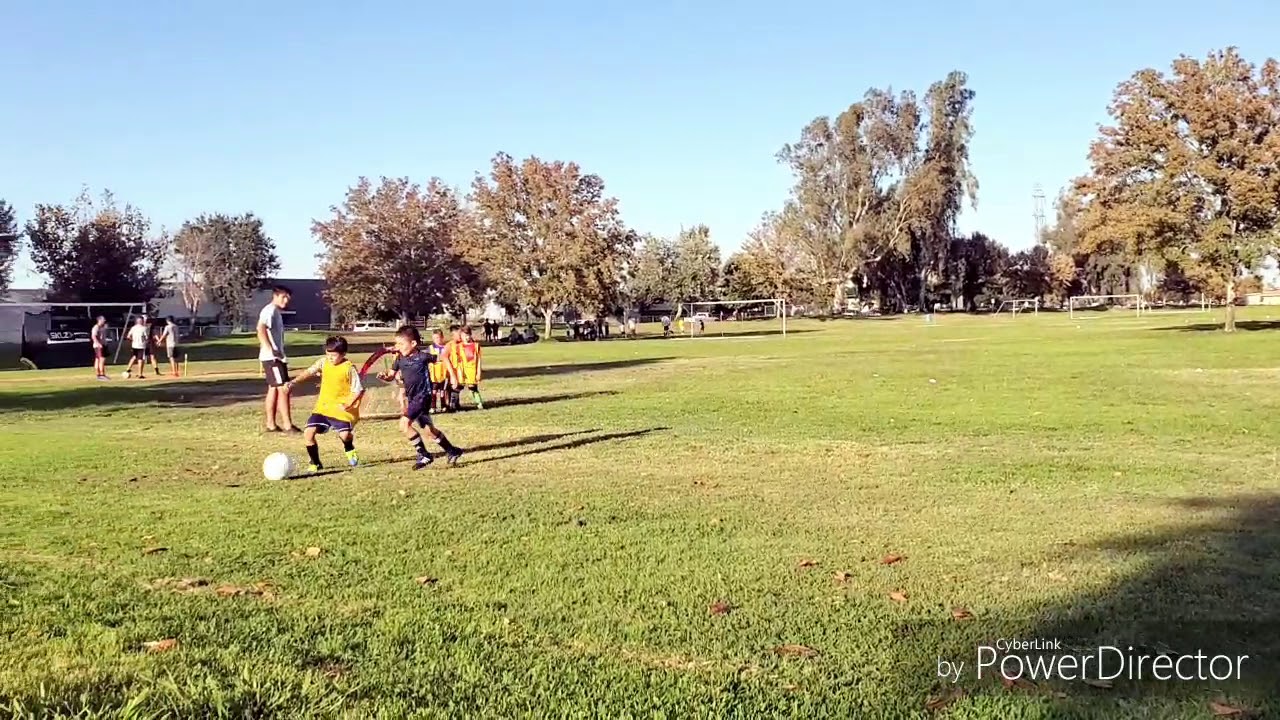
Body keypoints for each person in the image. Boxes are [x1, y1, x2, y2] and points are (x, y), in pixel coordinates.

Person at [378, 325, 462, 469]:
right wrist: (385, 377)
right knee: (430, 431)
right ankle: (452, 451)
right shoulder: (399, 359)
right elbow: (391, 376)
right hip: (412, 398)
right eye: (396, 343)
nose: (397, 347)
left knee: (404, 424)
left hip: (423, 397)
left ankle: (424, 454)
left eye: (401, 344)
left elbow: (444, 360)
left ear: (413, 344)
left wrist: (453, 377)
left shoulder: (423, 356)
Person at [286, 335, 364, 472]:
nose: (330, 358)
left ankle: (349, 447)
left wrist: (348, 404)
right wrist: (293, 382)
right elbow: (309, 371)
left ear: (343, 354)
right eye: (328, 354)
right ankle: (315, 463)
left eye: (333, 355)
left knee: (345, 435)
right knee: (308, 433)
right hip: (323, 407)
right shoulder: (323, 362)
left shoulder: (349, 368)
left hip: (342, 409)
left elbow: (358, 390)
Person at [257, 285, 299, 433]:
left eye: (288, 297)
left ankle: (271, 425)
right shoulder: (270, 310)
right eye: (283, 297)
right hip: (273, 359)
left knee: (274, 389)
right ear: (275, 296)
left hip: (275, 358)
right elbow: (260, 328)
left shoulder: (276, 312)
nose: (286, 300)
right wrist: (271, 349)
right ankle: (288, 425)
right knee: (284, 389)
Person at [454, 325, 484, 409]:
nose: (466, 337)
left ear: (470, 335)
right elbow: (457, 360)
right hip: (462, 371)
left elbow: (478, 360)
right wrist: (459, 371)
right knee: (458, 388)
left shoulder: (475, 346)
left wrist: (478, 372)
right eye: (464, 335)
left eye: (468, 335)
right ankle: (455, 404)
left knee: (473, 388)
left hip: (472, 371)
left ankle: (479, 403)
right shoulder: (459, 346)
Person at [427, 328, 449, 412]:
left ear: (442, 337)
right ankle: (433, 407)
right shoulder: (430, 348)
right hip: (434, 374)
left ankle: (444, 406)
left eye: (438, 337)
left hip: (443, 372)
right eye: (435, 338)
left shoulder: (446, 347)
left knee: (443, 391)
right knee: (434, 391)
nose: (437, 340)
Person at [90, 316, 109, 380]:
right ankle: (102, 374)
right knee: (101, 360)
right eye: (103, 319)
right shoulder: (96, 327)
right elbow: (93, 336)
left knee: (98, 359)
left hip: (102, 345)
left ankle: (98, 374)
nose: (105, 320)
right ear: (99, 320)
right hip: (99, 346)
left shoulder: (102, 327)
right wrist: (98, 344)